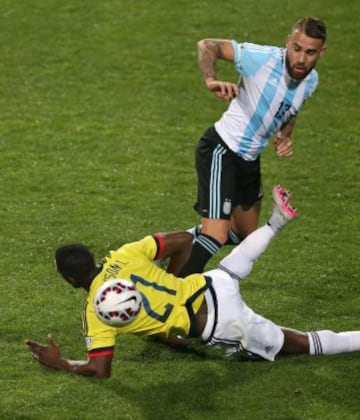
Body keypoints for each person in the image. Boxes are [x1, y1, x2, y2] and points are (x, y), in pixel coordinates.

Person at [25, 186, 360, 378]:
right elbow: (185, 241)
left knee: (300, 344)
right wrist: (172, 282)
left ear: (70, 280)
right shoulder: (125, 254)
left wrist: (62, 363)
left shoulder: (96, 314)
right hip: (211, 284)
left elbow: (100, 369)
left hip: (218, 323)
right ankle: (275, 223)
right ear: (93, 256)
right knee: (234, 267)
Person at [178, 17, 327, 277]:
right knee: (215, 234)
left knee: (243, 234)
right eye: (297, 48)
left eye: (310, 52)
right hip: (221, 148)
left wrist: (284, 136)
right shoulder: (262, 59)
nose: (301, 59)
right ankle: (172, 294)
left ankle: (165, 246)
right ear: (288, 43)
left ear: (321, 52)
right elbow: (207, 45)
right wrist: (211, 79)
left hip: (249, 160)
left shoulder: (310, 81)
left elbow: (290, 110)